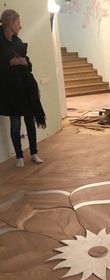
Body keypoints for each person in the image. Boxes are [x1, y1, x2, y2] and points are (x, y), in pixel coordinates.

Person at [0, 9, 46, 168]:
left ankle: (34, 152)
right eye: (18, 23)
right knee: (15, 124)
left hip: (25, 88)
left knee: (30, 122)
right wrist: (10, 63)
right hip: (10, 91)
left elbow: (27, 63)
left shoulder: (18, 42)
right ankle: (19, 156)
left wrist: (25, 62)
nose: (20, 26)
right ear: (10, 24)